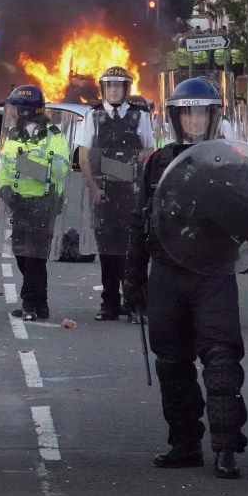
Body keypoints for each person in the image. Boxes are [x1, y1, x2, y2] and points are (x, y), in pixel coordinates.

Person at [123, 78, 248, 479]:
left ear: (214, 116)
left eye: (202, 112)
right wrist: (132, 276)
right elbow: (140, 221)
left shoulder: (234, 161)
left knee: (221, 359)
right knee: (172, 362)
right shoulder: (158, 162)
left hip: (213, 270)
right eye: (187, 112)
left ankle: (226, 446)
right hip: (167, 271)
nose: (194, 119)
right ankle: (184, 442)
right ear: (176, 117)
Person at [77, 66, 154, 320]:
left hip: (131, 192)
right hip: (104, 193)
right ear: (103, 89)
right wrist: (93, 188)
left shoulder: (139, 116)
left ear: (126, 89)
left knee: (133, 249)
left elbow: (149, 152)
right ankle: (109, 303)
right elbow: (84, 155)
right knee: (107, 251)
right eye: (109, 86)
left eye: (118, 86)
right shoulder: (92, 117)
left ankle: (134, 304)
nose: (113, 90)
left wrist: (137, 169)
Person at [0, 85, 72, 321]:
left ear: (27, 111)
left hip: (43, 203)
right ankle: (41, 303)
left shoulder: (54, 135)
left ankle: (29, 302)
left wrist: (27, 166)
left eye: (16, 108)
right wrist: (4, 189)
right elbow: (4, 165)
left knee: (35, 257)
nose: (13, 112)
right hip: (18, 204)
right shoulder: (13, 135)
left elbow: (60, 169)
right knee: (21, 254)